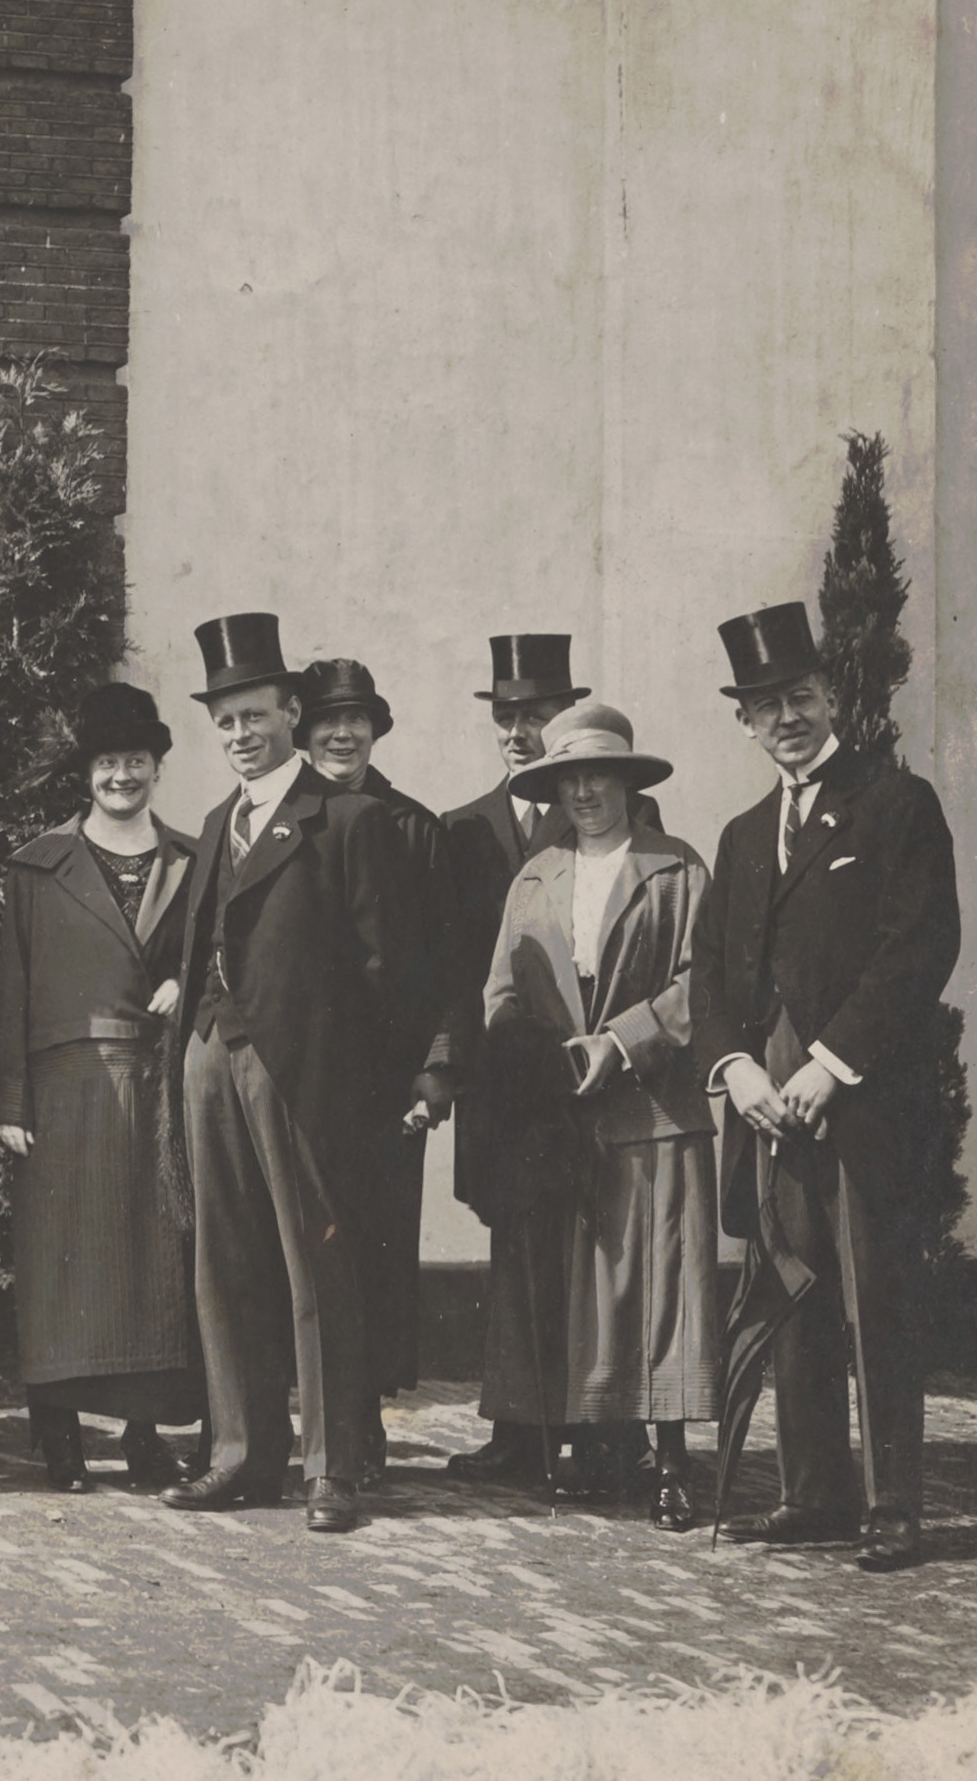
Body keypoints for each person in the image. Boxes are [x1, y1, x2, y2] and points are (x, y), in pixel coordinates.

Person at [693, 603, 961, 1573]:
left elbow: (917, 945)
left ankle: (893, 1503)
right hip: (766, 1105)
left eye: (798, 696)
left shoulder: (894, 805)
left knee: (874, 1295)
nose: (785, 718)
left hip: (859, 1102)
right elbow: (707, 975)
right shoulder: (737, 835)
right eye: (764, 707)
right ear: (744, 722)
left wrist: (828, 1062)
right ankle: (812, 1492)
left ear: (829, 695)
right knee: (788, 1292)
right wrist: (733, 1066)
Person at [163, 613, 417, 1535]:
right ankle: (239, 1453)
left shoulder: (345, 820)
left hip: (303, 1072)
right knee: (222, 1263)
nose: (239, 735)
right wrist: (194, 1037)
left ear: (291, 712)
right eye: (225, 720)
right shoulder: (215, 820)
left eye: (255, 715)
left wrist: (356, 1089)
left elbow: (387, 970)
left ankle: (331, 1466)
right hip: (212, 1056)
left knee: (318, 1266)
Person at [482, 703, 720, 1527]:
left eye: (599, 774)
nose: (584, 790)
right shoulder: (535, 876)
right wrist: (539, 1060)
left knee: (659, 1290)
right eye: (568, 778)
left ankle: (675, 1463)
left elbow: (704, 982)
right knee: (589, 1287)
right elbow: (501, 994)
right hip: (566, 1117)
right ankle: (599, 1446)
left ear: (628, 779)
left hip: (654, 1110)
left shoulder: (676, 867)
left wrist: (621, 1042)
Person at [439, 634, 653, 1484]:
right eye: (507, 716)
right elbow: (459, 966)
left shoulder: (623, 818)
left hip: (602, 1081)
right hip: (510, 1081)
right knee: (516, 1244)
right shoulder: (463, 830)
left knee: (605, 1249)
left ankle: (608, 1429)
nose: (520, 731)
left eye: (537, 715)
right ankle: (520, 1429)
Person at [0, 682, 203, 1492]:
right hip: (69, 1090)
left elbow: (216, 955)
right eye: (108, 762)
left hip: (161, 1091)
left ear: (156, 767)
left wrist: (186, 983)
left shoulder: (192, 858)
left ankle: (146, 1434)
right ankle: (62, 1437)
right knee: (66, 1266)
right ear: (87, 772)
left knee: (156, 1267)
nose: (122, 776)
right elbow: (11, 989)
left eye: (136, 761)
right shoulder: (36, 866)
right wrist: (10, 1101)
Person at [296, 659, 454, 1482]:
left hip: (386, 1084)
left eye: (358, 717)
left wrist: (433, 1071)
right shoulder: (284, 822)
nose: (343, 732)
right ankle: (316, 1421)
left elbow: (443, 965)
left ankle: (362, 1423)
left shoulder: (415, 828)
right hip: (300, 1076)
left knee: (375, 1252)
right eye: (327, 719)